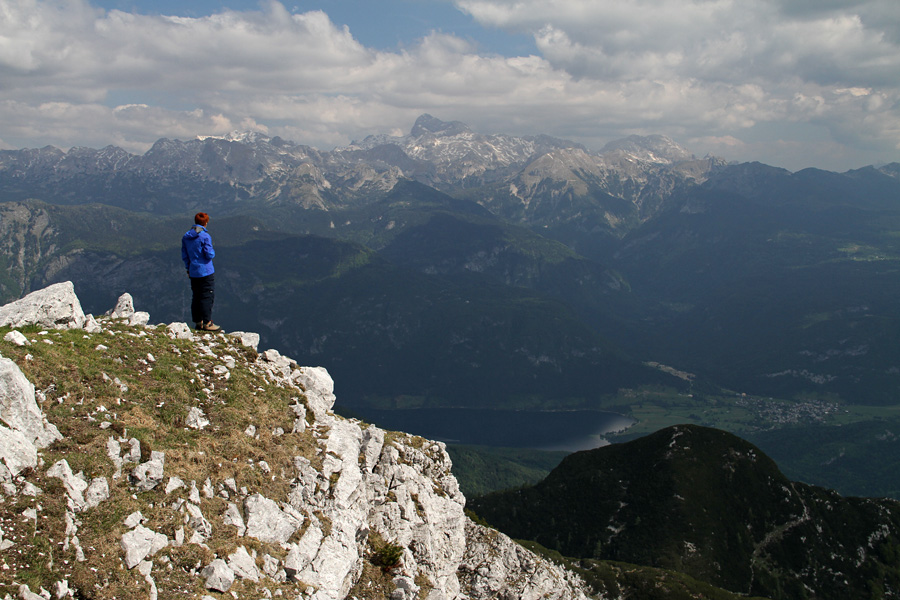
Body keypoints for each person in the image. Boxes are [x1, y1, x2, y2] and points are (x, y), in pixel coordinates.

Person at [182, 212, 222, 332]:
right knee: (207, 295)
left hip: (193, 271)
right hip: (205, 271)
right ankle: (207, 323)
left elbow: (185, 255)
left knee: (196, 296)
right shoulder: (205, 236)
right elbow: (209, 254)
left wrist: (188, 268)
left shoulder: (186, 237)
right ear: (205, 222)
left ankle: (198, 322)